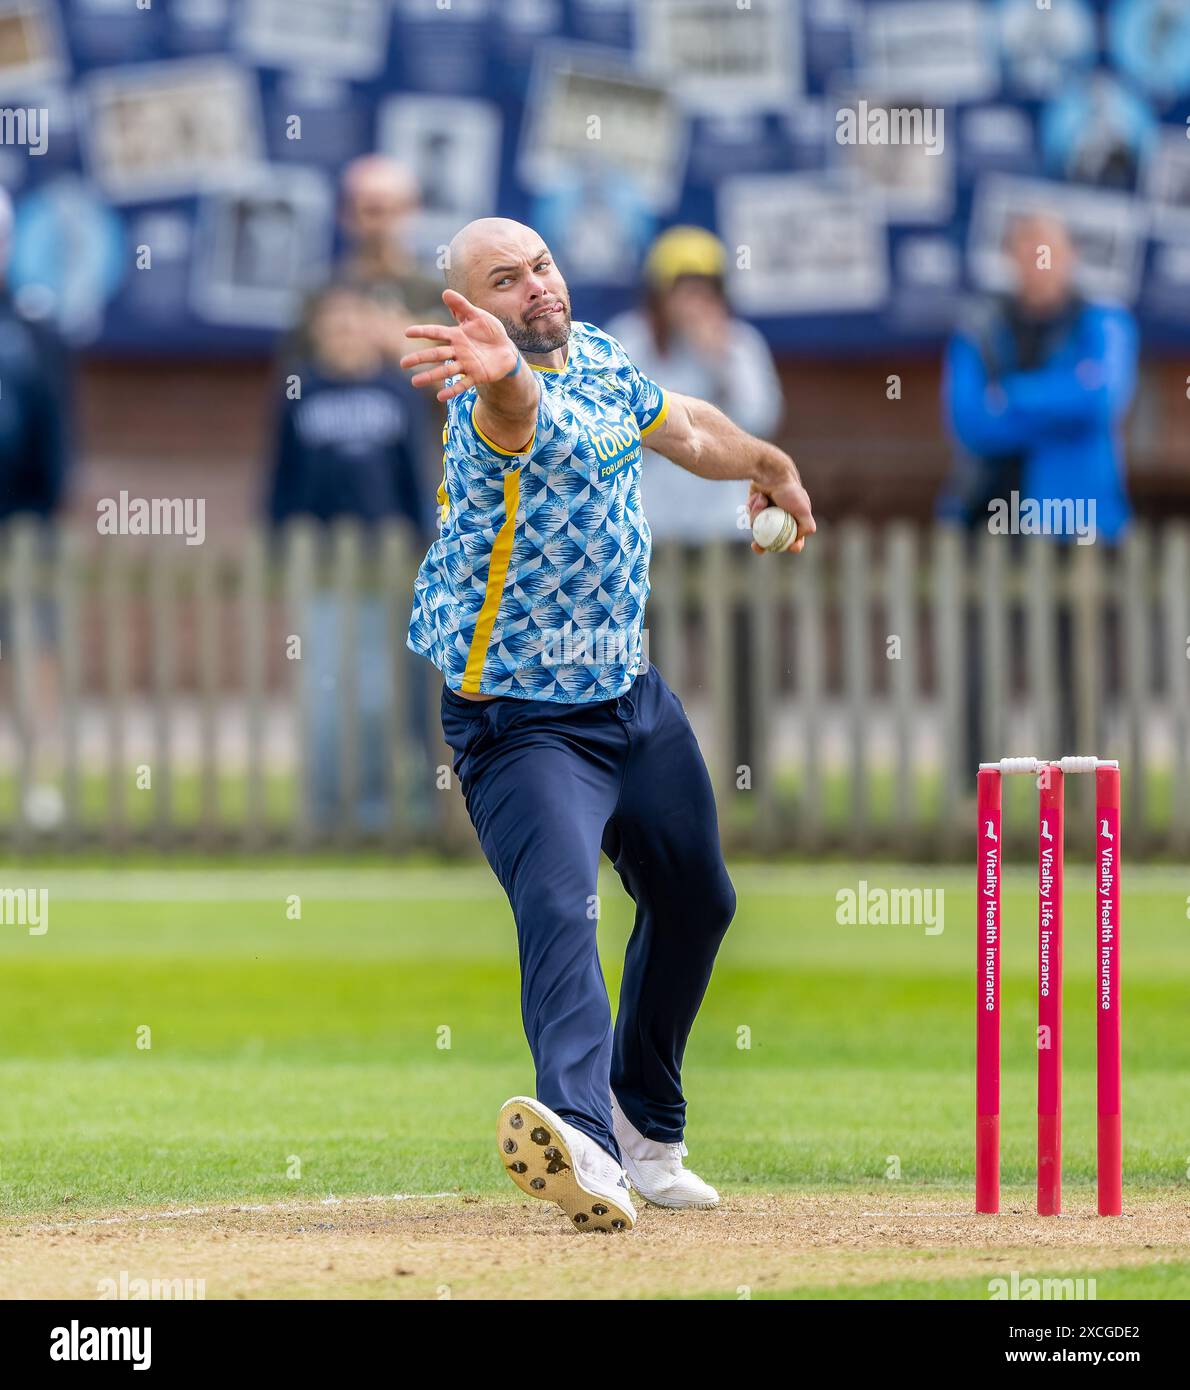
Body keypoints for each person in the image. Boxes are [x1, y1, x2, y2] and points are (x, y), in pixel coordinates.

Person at [400, 218, 814, 1233]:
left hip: (626, 695)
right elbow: (523, 414)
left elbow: (679, 429)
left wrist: (766, 458)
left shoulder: (598, 355)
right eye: (504, 280)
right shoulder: (482, 403)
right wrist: (502, 374)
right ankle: (579, 1139)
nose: (535, 286)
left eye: (539, 265)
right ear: (471, 312)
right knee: (561, 907)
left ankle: (643, 1128)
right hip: (521, 720)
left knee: (697, 900)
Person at [939, 212, 1138, 764]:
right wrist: (1057, 404)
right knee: (984, 664)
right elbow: (971, 420)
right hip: (993, 521)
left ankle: (1083, 786)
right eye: (1025, 252)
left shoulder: (1103, 322)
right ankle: (971, 790)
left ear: (1069, 255)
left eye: (1047, 250)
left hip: (1081, 525)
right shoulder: (980, 326)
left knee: (1085, 670)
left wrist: (1015, 397)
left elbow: (1101, 399)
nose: (1037, 264)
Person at [267, 285, 433, 834]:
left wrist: (428, 545)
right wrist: (275, 540)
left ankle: (380, 806)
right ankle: (324, 803)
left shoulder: (396, 391)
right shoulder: (299, 390)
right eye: (332, 323)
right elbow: (280, 476)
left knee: (384, 690)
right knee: (325, 688)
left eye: (353, 322)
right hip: (320, 567)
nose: (343, 333)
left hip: (390, 567)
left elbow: (415, 475)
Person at [608, 225, 783, 542]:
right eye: (684, 290)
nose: (694, 302)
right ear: (659, 295)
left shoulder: (740, 344)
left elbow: (760, 421)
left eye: (706, 290)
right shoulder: (629, 339)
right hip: (646, 524)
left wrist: (719, 362)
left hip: (722, 526)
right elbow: (611, 426)